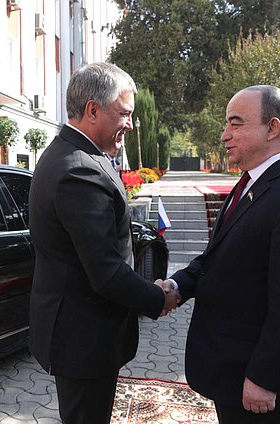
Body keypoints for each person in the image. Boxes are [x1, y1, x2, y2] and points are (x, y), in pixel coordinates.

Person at [166, 85, 280, 424]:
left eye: (236, 123)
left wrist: (264, 378)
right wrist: (177, 286)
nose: (224, 134)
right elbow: (217, 257)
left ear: (272, 128)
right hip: (230, 368)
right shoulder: (249, 184)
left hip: (256, 381)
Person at [28, 62, 180, 424]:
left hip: (84, 331)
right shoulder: (78, 169)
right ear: (93, 109)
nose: (129, 123)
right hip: (84, 338)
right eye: (124, 113)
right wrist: (158, 299)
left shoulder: (81, 154)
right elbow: (106, 271)